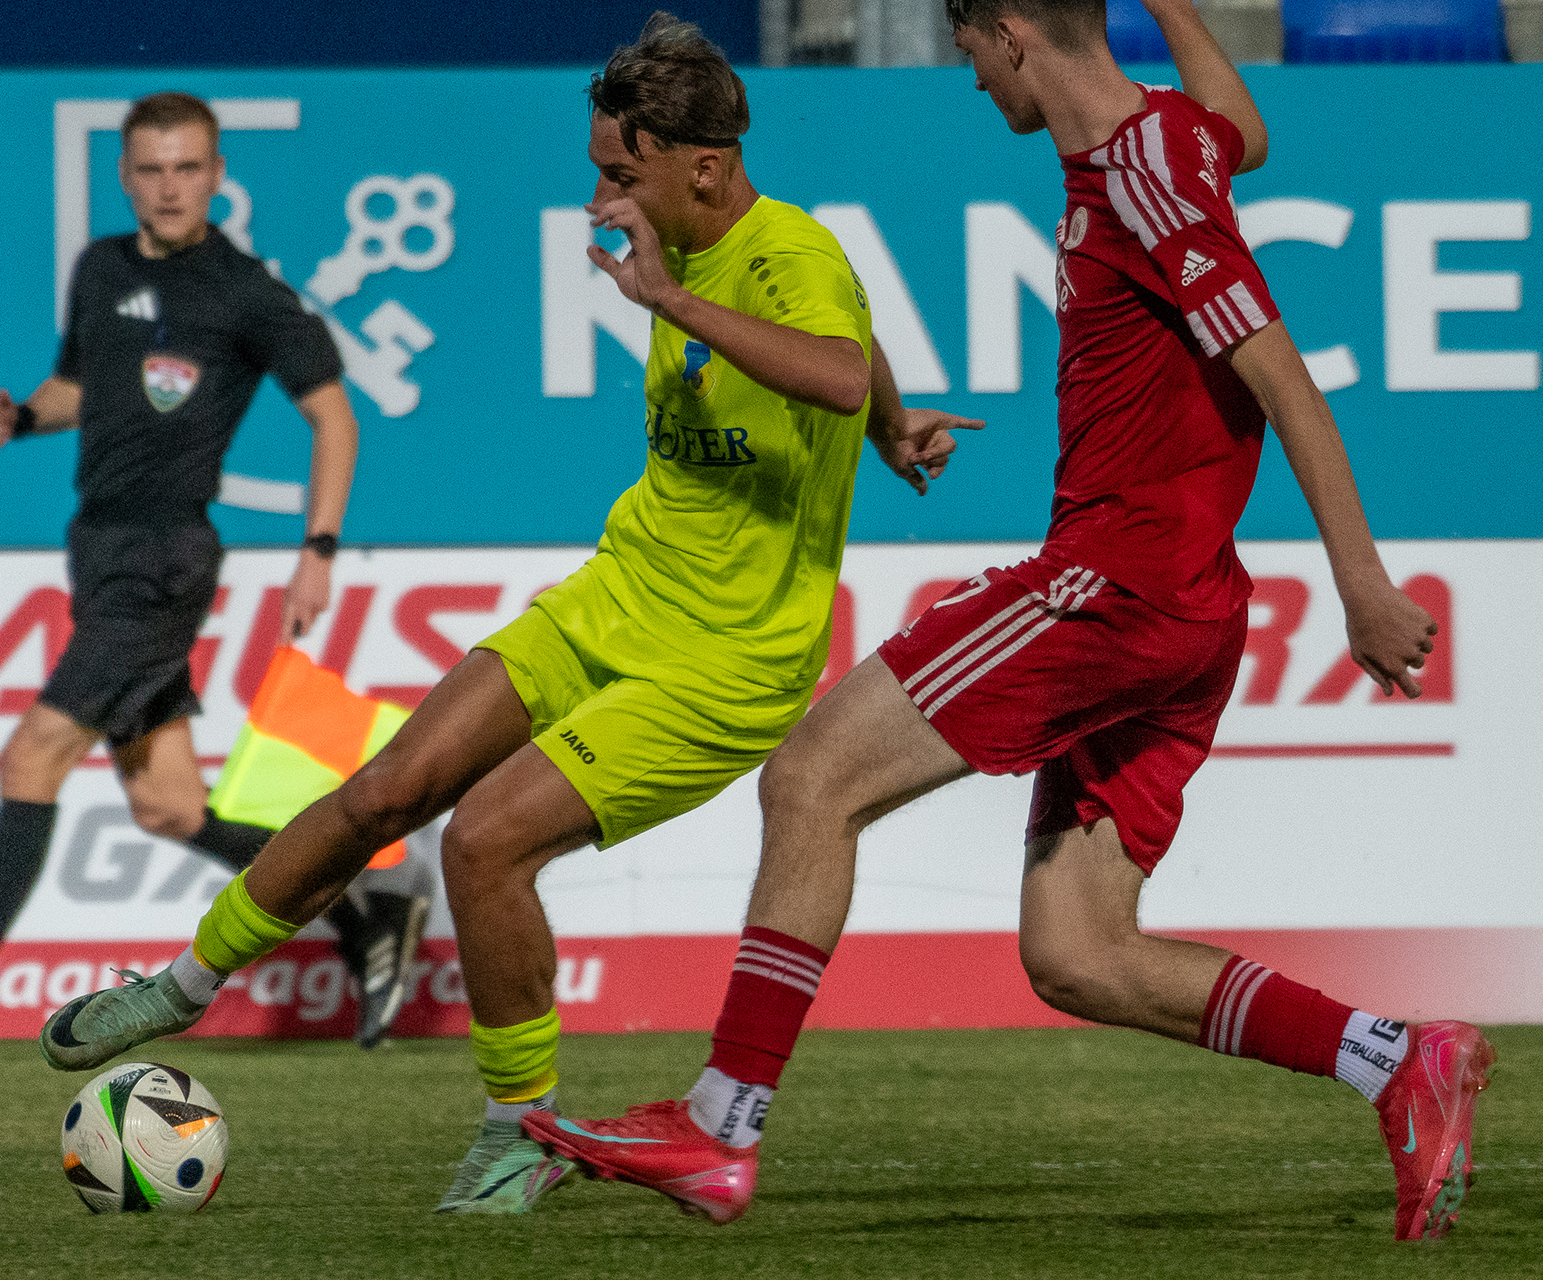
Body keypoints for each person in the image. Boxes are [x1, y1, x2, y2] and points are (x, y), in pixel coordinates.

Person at [525, 0, 1493, 1244]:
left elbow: (1286, 382)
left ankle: (721, 1123)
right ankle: (1399, 1059)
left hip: (1113, 584)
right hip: (1189, 602)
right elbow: (1244, 130)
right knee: (1080, 952)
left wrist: (1362, 583)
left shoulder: (1143, 174)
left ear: (1012, 28)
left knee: (812, 777)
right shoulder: (1170, 142)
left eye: (972, 50)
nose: (974, 81)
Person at [36, 13, 982, 1217]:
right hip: (619, 592)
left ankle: (515, 1133)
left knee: (485, 841)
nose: (599, 197)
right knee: (388, 789)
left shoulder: (780, 254)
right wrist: (896, 427)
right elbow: (862, 360)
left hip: (728, 662)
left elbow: (836, 365)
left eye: (620, 173)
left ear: (704, 168)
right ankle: (179, 984)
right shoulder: (695, 243)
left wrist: (697, 314)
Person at [0, 91, 425, 1060]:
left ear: (219, 174)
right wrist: (22, 418)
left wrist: (317, 551)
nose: (169, 187)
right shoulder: (101, 268)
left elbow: (335, 415)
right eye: (151, 169)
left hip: (162, 560)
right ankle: (366, 900)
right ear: (124, 176)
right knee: (169, 807)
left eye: (188, 168)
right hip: (100, 552)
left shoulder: (245, 292)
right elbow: (83, 385)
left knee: (31, 757)